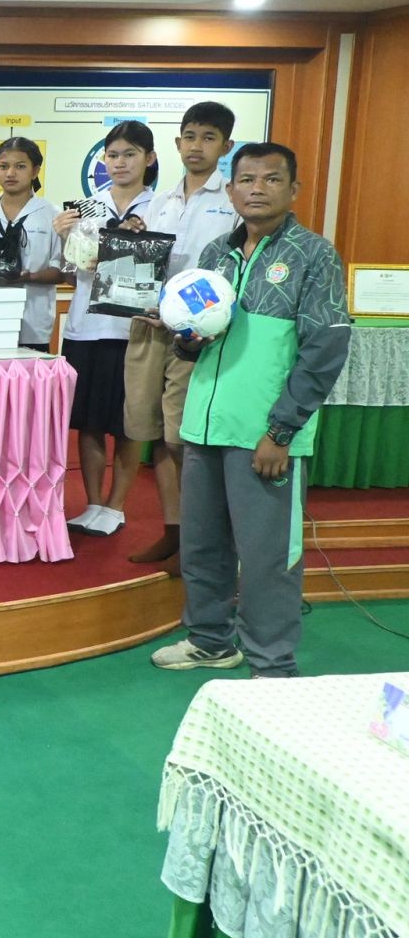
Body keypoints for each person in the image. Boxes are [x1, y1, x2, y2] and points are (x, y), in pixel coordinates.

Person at [150, 143, 349, 679]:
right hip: (205, 427)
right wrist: (185, 339)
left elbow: (324, 349)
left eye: (271, 179)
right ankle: (210, 641)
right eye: (246, 179)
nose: (257, 189)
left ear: (293, 189)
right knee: (203, 546)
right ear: (231, 188)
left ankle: (272, 665)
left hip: (265, 436)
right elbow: (194, 343)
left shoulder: (313, 255)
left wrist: (280, 431)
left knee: (266, 557)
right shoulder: (216, 252)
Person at [123, 103, 240, 574]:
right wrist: (130, 241)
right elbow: (139, 266)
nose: (197, 146)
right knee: (150, 431)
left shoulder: (232, 201)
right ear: (176, 143)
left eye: (208, 138)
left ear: (226, 146)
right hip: (147, 325)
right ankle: (173, 531)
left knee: (181, 438)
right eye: (189, 136)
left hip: (196, 338)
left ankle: (201, 539)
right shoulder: (158, 202)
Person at [51, 120, 157, 538]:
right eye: (112, 155)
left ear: (149, 159)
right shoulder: (86, 208)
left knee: (129, 423)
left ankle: (116, 506)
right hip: (86, 328)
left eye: (130, 154)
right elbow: (70, 270)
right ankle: (93, 503)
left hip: (135, 330)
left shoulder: (160, 207)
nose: (120, 163)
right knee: (89, 421)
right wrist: (64, 238)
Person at [0, 137, 62, 350]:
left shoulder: (52, 215)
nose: (10, 173)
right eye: (3, 166)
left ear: (35, 171)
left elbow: (60, 271)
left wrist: (28, 276)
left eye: (20, 166)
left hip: (34, 320)